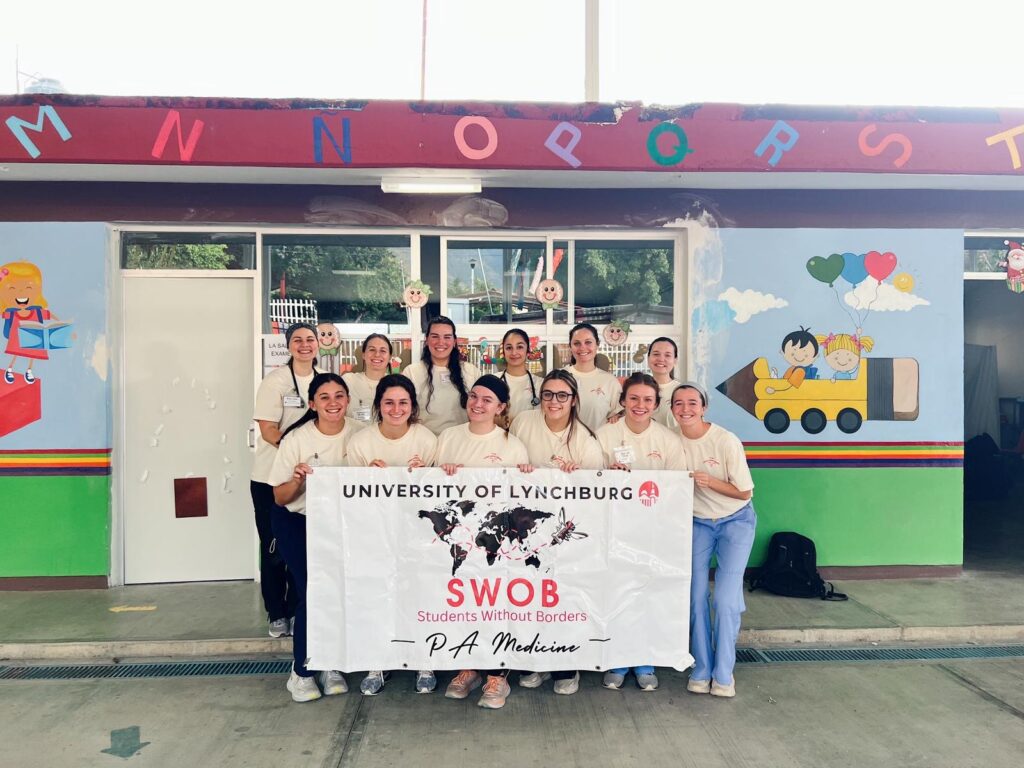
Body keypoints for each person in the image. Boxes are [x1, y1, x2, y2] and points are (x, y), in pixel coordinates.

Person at [269, 373, 366, 703]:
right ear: (312, 404)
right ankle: (302, 670)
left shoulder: (361, 434)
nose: (333, 403)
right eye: (324, 397)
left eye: (339, 396)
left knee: (340, 592)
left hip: (342, 524)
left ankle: (331, 663)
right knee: (313, 591)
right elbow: (280, 497)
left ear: (348, 400)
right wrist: (297, 480)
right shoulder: (296, 439)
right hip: (298, 521)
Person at [437, 374, 530, 710]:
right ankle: (469, 669)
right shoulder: (448, 438)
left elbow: (521, 498)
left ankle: (498, 675)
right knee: (463, 605)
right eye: (474, 396)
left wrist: (527, 474)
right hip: (459, 543)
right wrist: (443, 472)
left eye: (487, 400)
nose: (477, 404)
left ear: (500, 407)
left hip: (497, 545)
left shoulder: (512, 445)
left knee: (496, 606)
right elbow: (429, 488)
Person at [510, 369, 602, 695]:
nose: (554, 401)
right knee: (529, 596)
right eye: (548, 394)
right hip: (526, 529)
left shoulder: (585, 440)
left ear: (573, 400)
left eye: (562, 395)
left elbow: (596, 491)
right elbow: (507, 463)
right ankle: (534, 661)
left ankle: (566, 665)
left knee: (562, 597)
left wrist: (578, 477)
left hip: (565, 530)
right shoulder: (523, 423)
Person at [347, 374, 439, 696]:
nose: (396, 409)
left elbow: (441, 495)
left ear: (412, 406)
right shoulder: (360, 443)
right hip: (376, 533)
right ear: (378, 405)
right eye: (389, 402)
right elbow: (350, 497)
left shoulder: (427, 440)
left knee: (419, 594)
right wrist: (366, 479)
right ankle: (378, 662)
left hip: (418, 532)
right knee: (379, 595)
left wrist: (425, 475)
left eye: (403, 403)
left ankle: (424, 660)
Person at [596, 371, 688, 692]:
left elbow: (677, 489)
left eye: (648, 400)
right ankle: (618, 661)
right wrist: (607, 475)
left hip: (653, 531)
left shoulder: (668, 440)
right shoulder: (605, 435)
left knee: (648, 595)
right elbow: (590, 481)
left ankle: (645, 661)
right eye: (633, 398)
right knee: (618, 594)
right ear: (622, 401)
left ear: (656, 404)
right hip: (615, 529)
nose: (640, 405)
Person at [671, 382, 756, 699]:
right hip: (697, 523)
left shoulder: (725, 440)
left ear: (704, 408)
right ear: (672, 409)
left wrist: (711, 483)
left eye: (692, 403)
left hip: (736, 520)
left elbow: (744, 492)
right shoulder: (671, 440)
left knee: (725, 599)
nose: (685, 409)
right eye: (679, 404)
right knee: (694, 596)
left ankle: (723, 672)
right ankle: (702, 667)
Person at [250, 322, 319, 639]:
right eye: (298, 340)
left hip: (308, 477)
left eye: (310, 339)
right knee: (274, 548)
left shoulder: (323, 380)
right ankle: (276, 612)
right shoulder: (275, 381)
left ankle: (296, 609)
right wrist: (294, 453)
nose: (305, 345)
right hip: (271, 477)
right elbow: (268, 430)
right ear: (289, 345)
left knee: (303, 547)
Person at [403, 316, 481, 435]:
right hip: (424, 441)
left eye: (447, 337)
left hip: (461, 441)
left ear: (454, 341)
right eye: (435, 336)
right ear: (427, 340)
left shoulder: (471, 371)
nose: (441, 342)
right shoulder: (411, 372)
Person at [563, 322, 622, 433]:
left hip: (598, 442)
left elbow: (618, 416)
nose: (582, 347)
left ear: (597, 344)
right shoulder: (560, 378)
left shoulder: (610, 382)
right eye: (576, 343)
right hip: (564, 441)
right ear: (570, 347)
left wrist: (618, 416)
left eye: (588, 342)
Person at [343, 333, 394, 423]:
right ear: (363, 355)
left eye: (383, 351)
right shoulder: (348, 381)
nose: (377, 354)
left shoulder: (396, 385)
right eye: (372, 350)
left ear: (389, 357)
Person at [498, 327, 541, 424]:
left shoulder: (540, 384)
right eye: (509, 348)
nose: (514, 353)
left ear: (528, 351)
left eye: (520, 347)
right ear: (503, 352)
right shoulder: (493, 382)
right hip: (501, 433)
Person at [647, 337, 683, 427]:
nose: (661, 359)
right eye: (656, 354)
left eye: (667, 355)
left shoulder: (682, 390)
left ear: (675, 360)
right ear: (648, 358)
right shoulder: (639, 388)